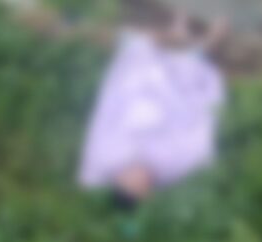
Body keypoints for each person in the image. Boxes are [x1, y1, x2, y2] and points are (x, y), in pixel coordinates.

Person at [78, 5, 226, 209]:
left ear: (120, 180)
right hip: (174, 103)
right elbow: (195, 143)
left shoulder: (108, 156)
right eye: (143, 187)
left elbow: (110, 112)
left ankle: (178, 26)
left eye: (133, 183)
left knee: (140, 61)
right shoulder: (166, 169)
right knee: (187, 78)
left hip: (139, 95)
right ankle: (207, 38)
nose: (142, 180)